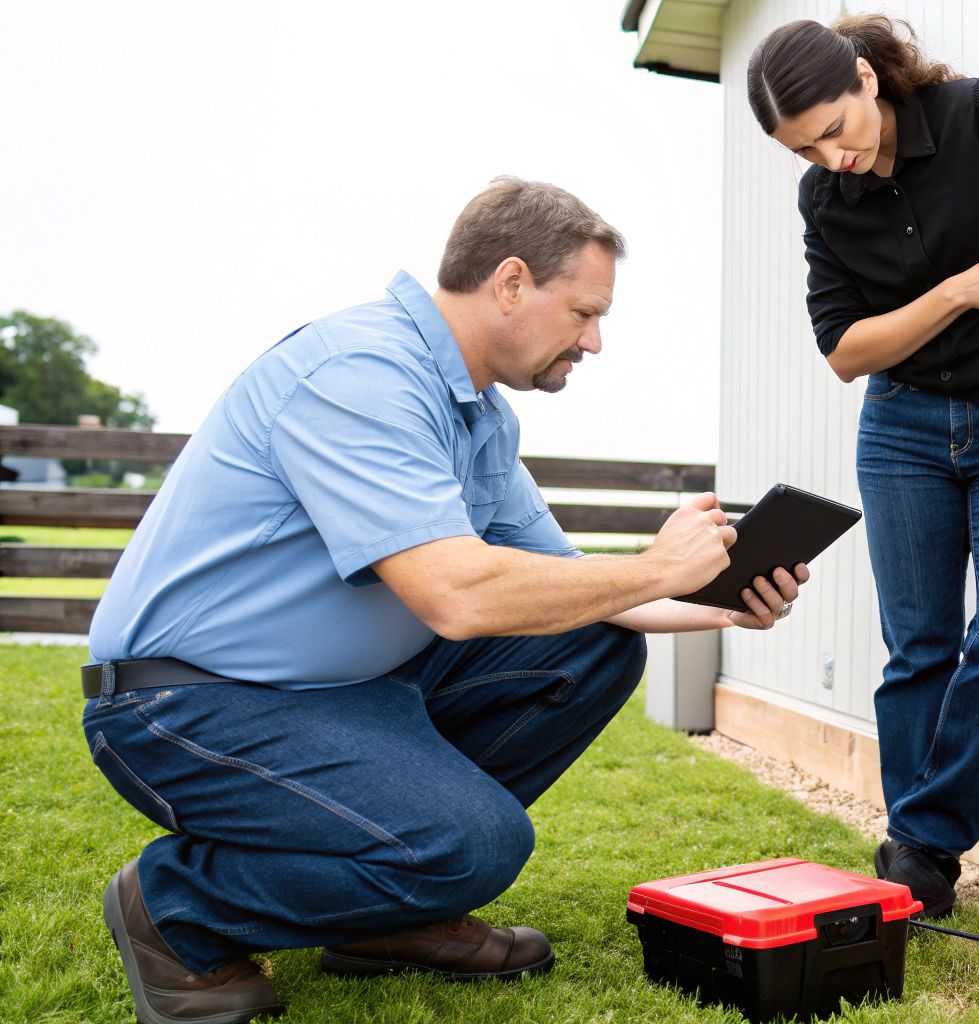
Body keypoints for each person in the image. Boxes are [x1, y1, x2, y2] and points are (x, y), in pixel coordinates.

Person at [82, 176, 810, 1024]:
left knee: (593, 647)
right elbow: (456, 597)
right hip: (181, 705)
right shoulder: (362, 374)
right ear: (510, 283)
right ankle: (173, 908)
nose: (597, 341)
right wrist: (654, 566)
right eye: (583, 312)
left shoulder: (481, 418)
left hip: (335, 699)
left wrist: (719, 598)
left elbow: (584, 593)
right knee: (474, 845)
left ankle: (392, 920)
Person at [746, 16, 979, 919]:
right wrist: (957, 291)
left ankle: (921, 838)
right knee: (920, 647)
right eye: (804, 149)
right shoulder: (824, 202)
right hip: (900, 432)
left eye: (835, 128)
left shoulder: (977, 115)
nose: (830, 157)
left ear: (867, 80)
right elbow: (848, 350)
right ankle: (917, 877)